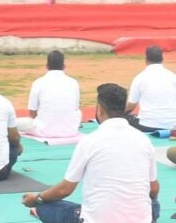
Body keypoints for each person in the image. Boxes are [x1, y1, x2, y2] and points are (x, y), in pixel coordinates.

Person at [21, 83, 160, 223]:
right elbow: (153, 189)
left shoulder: (90, 141)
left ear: (100, 110)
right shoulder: (143, 140)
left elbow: (65, 189)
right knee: (153, 204)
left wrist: (37, 198)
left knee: (45, 206)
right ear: (125, 109)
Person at [16, 50, 81, 139]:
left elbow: (32, 112)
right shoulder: (73, 82)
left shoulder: (38, 82)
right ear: (63, 66)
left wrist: (44, 122)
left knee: (15, 122)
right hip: (70, 131)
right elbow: (75, 108)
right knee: (78, 112)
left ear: (47, 66)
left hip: (43, 131)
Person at [127, 45, 176, 132]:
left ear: (146, 60)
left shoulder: (139, 78)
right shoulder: (173, 76)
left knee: (125, 119)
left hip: (148, 125)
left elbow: (131, 106)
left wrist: (120, 114)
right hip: (173, 124)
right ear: (162, 59)